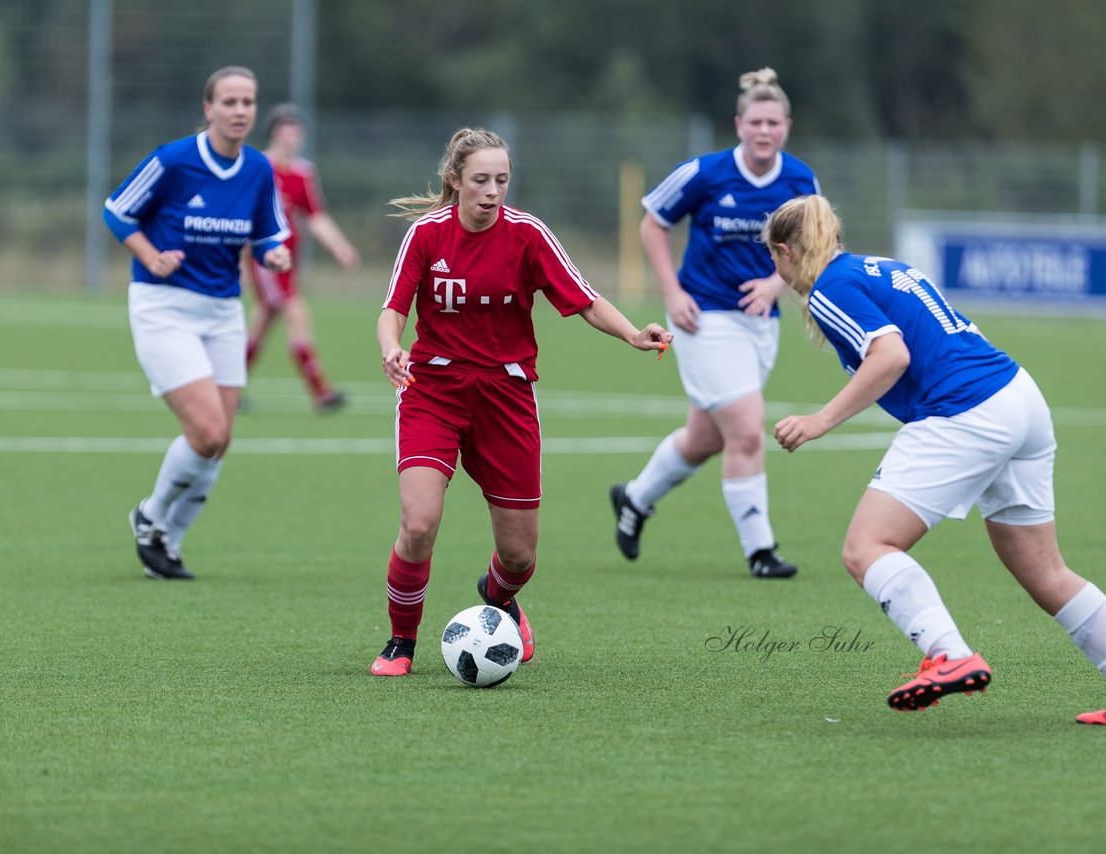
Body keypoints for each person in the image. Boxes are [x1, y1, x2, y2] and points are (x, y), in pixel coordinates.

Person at [764, 193, 1106, 723]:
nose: (775, 269)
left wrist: (819, 421)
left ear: (786, 252)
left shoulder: (830, 287)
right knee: (1045, 572)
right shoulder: (880, 267)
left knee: (866, 546)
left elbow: (892, 355)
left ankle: (949, 655)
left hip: (966, 409)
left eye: (773, 258)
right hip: (1017, 396)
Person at [371, 128, 673, 676]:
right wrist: (392, 348)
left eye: (502, 181)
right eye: (481, 180)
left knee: (519, 557)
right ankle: (400, 641)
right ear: (456, 180)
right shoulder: (426, 236)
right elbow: (392, 308)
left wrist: (632, 334)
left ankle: (498, 594)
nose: (492, 191)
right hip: (433, 392)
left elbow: (584, 299)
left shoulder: (528, 235)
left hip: (506, 398)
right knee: (418, 524)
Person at [609, 68, 820, 578]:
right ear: (738, 124)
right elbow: (653, 222)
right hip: (703, 318)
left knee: (705, 437)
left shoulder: (800, 180)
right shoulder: (704, 172)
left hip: (761, 324)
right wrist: (672, 291)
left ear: (786, 126)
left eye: (773, 122)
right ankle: (761, 551)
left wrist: (777, 284)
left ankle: (634, 500)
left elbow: (814, 245)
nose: (763, 130)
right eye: (755, 121)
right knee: (747, 431)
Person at [103, 65, 290, 580]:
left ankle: (169, 544)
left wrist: (272, 255)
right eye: (228, 101)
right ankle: (150, 516)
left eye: (247, 102)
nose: (239, 111)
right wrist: (150, 253)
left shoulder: (257, 169)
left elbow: (268, 232)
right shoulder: (173, 160)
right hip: (163, 307)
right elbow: (117, 211)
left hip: (223, 312)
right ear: (208, 108)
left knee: (221, 439)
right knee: (206, 432)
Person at [243, 104, 360, 414]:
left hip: (288, 260)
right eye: (285, 130)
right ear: (274, 133)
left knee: (263, 320)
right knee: (296, 312)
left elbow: (315, 216)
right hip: (266, 258)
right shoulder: (258, 167)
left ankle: (229, 387)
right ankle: (321, 392)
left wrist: (340, 246)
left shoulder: (302, 172)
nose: (292, 136)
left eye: (297, 130)